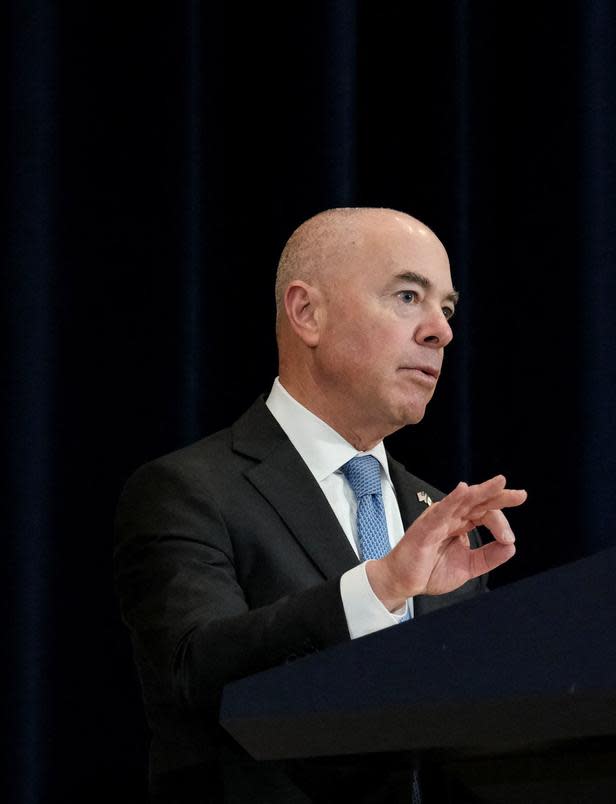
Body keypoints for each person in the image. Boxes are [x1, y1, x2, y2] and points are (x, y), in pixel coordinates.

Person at [114, 208, 527, 802]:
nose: (442, 331)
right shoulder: (189, 491)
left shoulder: (437, 518)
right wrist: (379, 587)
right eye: (409, 296)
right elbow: (194, 673)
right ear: (307, 313)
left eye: (448, 307)